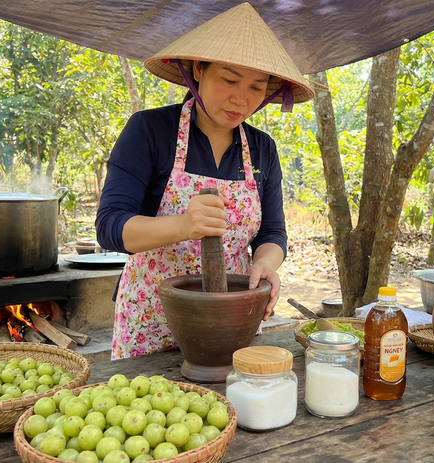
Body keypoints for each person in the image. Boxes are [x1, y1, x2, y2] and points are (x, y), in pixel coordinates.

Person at [96, 3, 314, 360]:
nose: (241, 99)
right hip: (152, 318)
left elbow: (272, 234)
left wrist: (265, 264)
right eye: (229, 80)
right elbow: (110, 227)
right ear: (199, 69)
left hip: (232, 317)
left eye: (257, 88)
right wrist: (183, 225)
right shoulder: (150, 131)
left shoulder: (261, 148)